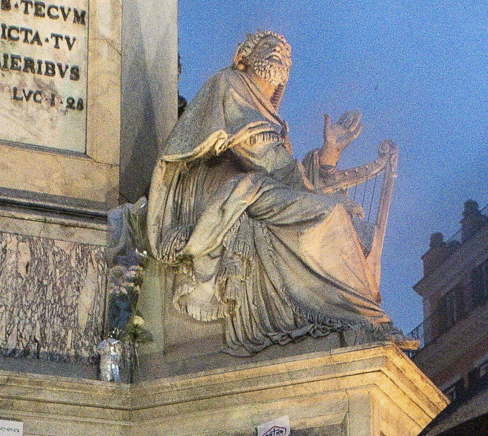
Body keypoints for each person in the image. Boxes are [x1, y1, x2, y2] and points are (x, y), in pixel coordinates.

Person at [147, 30, 398, 353]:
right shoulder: (230, 83)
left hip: (256, 185)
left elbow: (288, 172)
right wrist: (319, 197)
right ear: (244, 57)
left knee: (357, 228)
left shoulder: (272, 116)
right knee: (329, 213)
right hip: (219, 189)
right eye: (269, 46)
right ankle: (352, 317)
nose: (279, 52)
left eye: (285, 53)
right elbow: (262, 155)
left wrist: (329, 154)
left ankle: (357, 317)